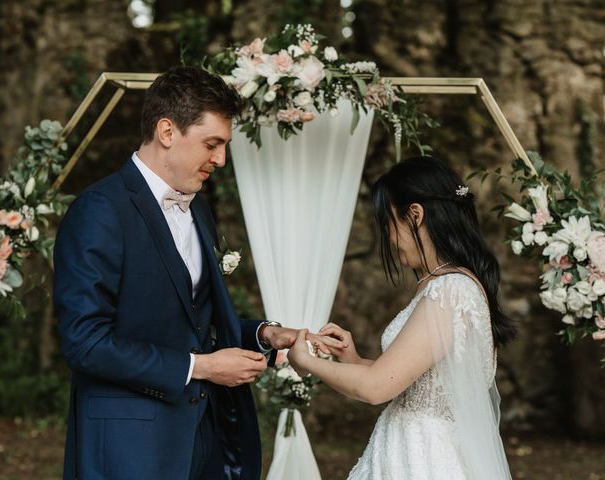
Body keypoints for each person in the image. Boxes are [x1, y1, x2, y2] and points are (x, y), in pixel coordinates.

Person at [53, 66, 325, 480]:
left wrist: (266, 335)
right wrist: (201, 368)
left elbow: (191, 321)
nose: (220, 159)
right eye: (211, 144)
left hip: (204, 439)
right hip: (130, 448)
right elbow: (85, 343)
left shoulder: (197, 207)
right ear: (167, 131)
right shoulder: (100, 211)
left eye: (224, 145)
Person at [288, 155, 516, 479]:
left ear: (415, 215)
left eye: (388, 224)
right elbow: (413, 384)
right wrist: (351, 358)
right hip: (410, 449)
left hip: (425, 459)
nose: (391, 240)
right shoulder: (445, 285)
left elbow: (376, 388)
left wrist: (306, 362)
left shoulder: (450, 290)